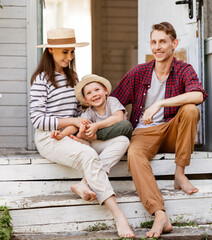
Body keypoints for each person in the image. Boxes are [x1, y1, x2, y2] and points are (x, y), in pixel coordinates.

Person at [29, 28, 135, 238]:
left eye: (72, 52)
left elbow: (79, 112)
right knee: (89, 155)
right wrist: (73, 123)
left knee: (122, 140)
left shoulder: (73, 78)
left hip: (74, 135)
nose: (69, 57)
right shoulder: (41, 80)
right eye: (64, 52)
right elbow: (37, 119)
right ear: (50, 50)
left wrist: (83, 127)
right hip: (50, 138)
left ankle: (84, 183)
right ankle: (118, 216)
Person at [111, 22, 208, 238]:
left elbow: (198, 95)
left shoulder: (184, 69)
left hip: (172, 131)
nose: (157, 47)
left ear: (174, 44)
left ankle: (179, 174)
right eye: (154, 42)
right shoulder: (139, 72)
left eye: (163, 41)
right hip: (144, 133)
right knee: (134, 153)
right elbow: (114, 100)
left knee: (191, 110)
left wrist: (160, 104)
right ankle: (159, 213)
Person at [51, 73, 133, 175]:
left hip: (113, 138)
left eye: (97, 90)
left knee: (125, 125)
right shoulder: (89, 112)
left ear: (105, 91)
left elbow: (119, 117)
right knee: (82, 127)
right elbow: (76, 125)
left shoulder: (112, 101)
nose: (94, 94)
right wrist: (62, 135)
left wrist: (96, 126)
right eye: (89, 93)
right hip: (101, 144)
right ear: (85, 99)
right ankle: (86, 143)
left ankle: (88, 141)